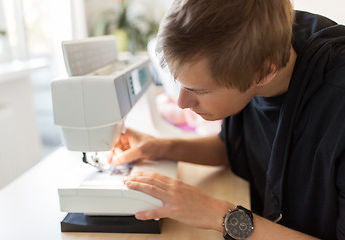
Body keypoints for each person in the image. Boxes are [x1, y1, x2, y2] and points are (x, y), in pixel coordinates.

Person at [108, 0, 345, 239]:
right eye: (180, 83)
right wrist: (159, 148)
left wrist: (218, 215)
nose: (182, 102)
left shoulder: (337, 106)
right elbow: (235, 148)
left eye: (199, 91)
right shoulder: (255, 45)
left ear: (264, 72)